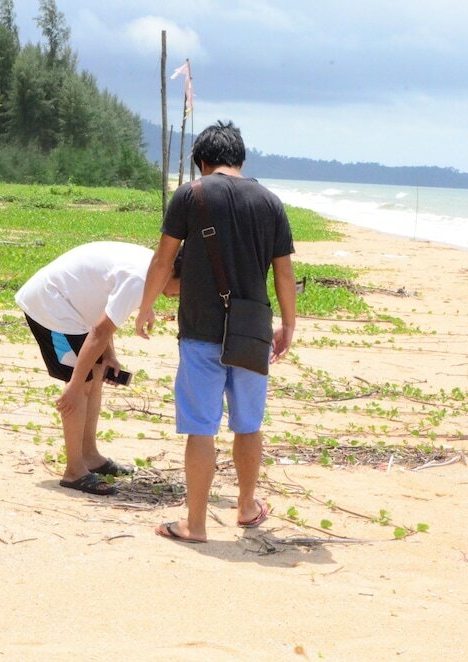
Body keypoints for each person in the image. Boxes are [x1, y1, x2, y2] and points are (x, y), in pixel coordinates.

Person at [135, 121, 296, 542]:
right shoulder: (271, 202)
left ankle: (198, 524)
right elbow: (284, 272)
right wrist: (289, 325)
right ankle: (246, 506)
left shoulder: (192, 194)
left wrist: (146, 307)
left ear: (201, 161)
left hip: (201, 330)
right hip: (252, 331)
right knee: (248, 424)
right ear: (240, 158)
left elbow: (162, 260)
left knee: (201, 427)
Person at [16, 241, 181, 495]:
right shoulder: (139, 280)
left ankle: (90, 456)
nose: (179, 295)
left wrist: (109, 356)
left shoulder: (151, 268)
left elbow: (103, 312)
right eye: (184, 286)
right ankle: (74, 471)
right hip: (51, 306)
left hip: (73, 308)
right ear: (172, 272)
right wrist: (73, 384)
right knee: (80, 384)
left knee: (95, 373)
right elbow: (100, 329)